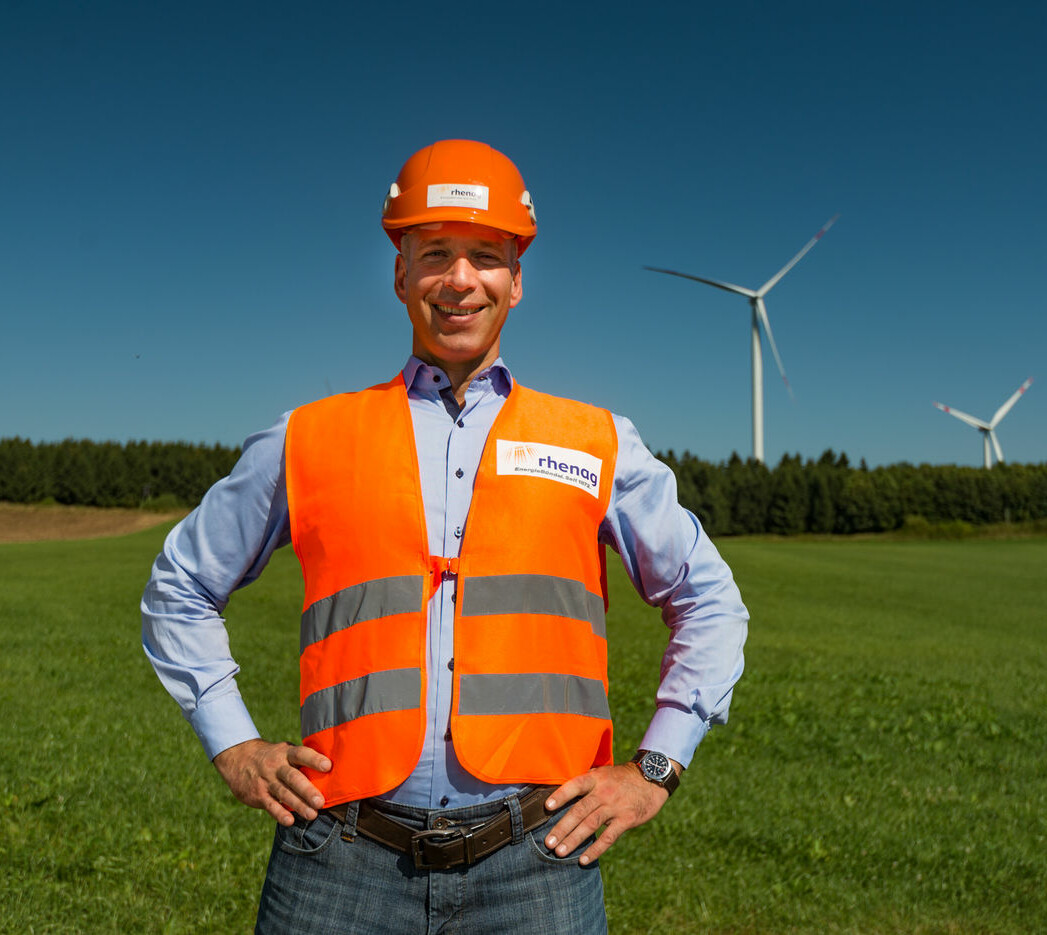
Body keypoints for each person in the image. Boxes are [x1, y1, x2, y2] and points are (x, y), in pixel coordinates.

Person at [141, 139, 748, 934]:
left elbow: (709, 599)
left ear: (516, 279)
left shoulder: (596, 441)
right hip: (336, 859)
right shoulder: (308, 437)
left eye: (485, 256)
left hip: (540, 860)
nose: (460, 279)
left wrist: (656, 767)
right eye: (435, 253)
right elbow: (179, 587)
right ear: (400, 274)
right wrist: (234, 745)